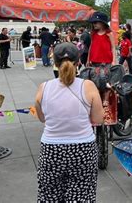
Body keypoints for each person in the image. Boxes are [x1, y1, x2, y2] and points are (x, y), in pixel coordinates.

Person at [34, 43, 104, 202]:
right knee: (81, 196)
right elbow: (98, 119)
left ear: (55, 63)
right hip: (83, 150)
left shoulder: (43, 88)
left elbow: (42, 118)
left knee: (49, 196)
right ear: (78, 61)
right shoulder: (88, 86)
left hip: (51, 151)